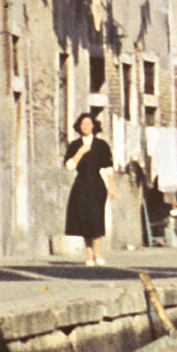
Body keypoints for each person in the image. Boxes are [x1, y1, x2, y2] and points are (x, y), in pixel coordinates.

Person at [65, 109, 115, 265]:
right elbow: (69, 166)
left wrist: (111, 186)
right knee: (83, 218)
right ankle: (89, 256)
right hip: (81, 185)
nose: (85, 126)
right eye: (83, 124)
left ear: (93, 126)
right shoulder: (75, 145)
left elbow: (108, 167)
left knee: (96, 217)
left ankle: (98, 254)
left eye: (88, 123)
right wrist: (81, 152)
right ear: (79, 127)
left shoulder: (101, 145)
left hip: (97, 185)